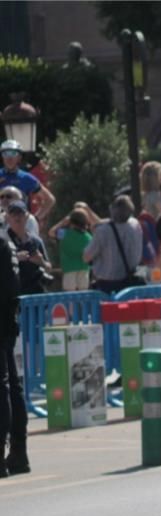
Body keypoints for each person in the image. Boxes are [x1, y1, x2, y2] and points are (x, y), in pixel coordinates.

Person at [0, 229, 27, 477]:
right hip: (7, 319)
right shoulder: (6, 242)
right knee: (11, 387)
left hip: (4, 319)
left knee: (4, 387)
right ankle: (18, 451)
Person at [84, 195, 144, 294]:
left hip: (106, 286)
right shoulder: (136, 225)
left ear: (112, 210)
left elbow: (86, 257)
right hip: (131, 282)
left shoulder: (102, 231)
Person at [0, 140, 55, 224]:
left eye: (13, 153)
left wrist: (35, 219)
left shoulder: (26, 178)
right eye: (5, 154)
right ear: (2, 157)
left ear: (19, 157)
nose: (9, 157)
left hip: (20, 225)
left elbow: (50, 200)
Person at [4, 200, 51, 295]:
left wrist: (41, 262)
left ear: (27, 216)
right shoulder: (3, 241)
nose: (17, 217)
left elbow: (48, 268)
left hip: (36, 295)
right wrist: (15, 258)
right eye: (13, 214)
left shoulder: (36, 241)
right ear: (8, 218)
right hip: (13, 296)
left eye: (20, 213)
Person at [56, 209, 93, 291]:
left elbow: (51, 232)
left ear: (71, 221)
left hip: (69, 269)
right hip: (84, 268)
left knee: (70, 297)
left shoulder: (63, 233)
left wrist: (63, 223)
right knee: (83, 295)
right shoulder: (89, 237)